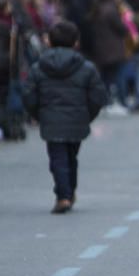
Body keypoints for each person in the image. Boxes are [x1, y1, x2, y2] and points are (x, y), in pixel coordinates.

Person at [23, 21, 108, 214]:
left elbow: (28, 95)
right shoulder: (86, 67)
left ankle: (63, 195)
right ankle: (68, 192)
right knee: (71, 157)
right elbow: (98, 96)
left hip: (50, 120)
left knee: (58, 159)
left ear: (50, 42)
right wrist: (87, 115)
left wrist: (40, 114)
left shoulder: (38, 67)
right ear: (76, 42)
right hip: (78, 119)